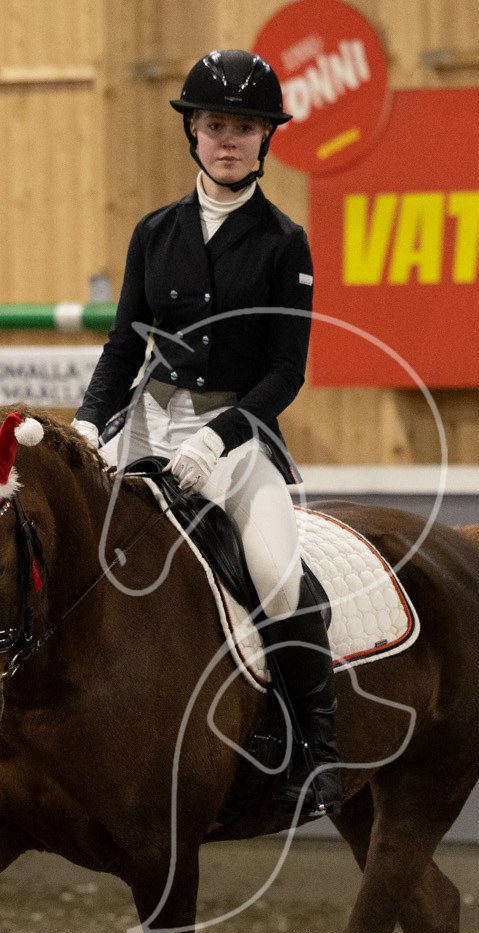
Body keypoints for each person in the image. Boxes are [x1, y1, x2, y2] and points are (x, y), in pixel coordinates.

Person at [73, 48, 339, 819]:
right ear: (193, 130)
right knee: (71, 545)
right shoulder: (155, 232)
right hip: (148, 422)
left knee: (277, 573)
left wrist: (218, 438)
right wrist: (89, 424)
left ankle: (317, 748)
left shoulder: (284, 242)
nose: (229, 140)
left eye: (244, 128)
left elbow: (286, 371)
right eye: (216, 125)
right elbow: (124, 345)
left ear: (266, 139)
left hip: (239, 434)